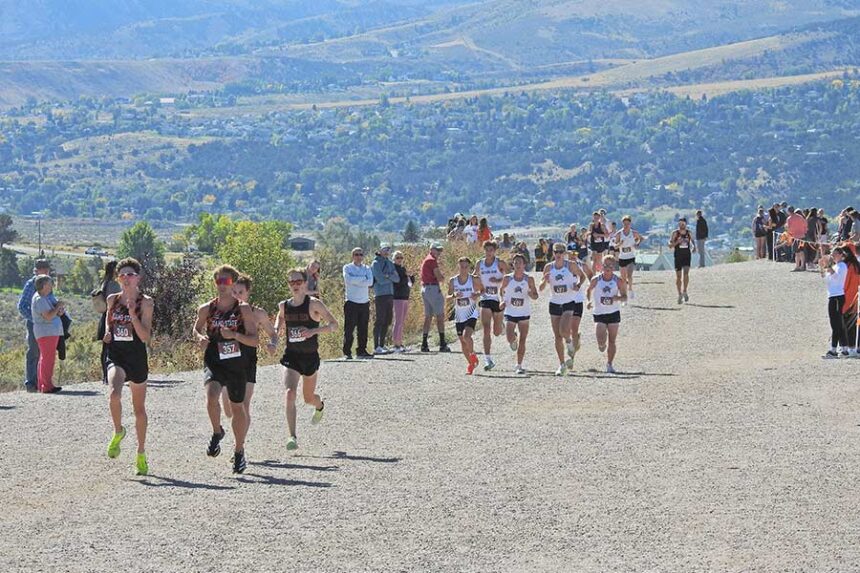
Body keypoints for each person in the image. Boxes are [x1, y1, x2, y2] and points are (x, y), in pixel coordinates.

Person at [192, 265, 258, 474]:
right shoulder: (206, 308)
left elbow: (254, 340)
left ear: (233, 283)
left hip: (236, 364)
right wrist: (200, 337)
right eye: (219, 281)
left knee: (237, 408)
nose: (222, 285)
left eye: (226, 281)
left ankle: (239, 452)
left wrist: (235, 336)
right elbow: (196, 328)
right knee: (211, 396)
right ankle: (216, 431)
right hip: (214, 360)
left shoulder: (244, 309)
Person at [274, 268, 338, 451]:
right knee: (289, 394)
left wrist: (313, 331)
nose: (295, 285)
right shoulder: (284, 305)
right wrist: (277, 329)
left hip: (310, 357)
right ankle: (292, 436)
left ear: (305, 283)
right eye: (291, 282)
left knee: (308, 398)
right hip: (291, 356)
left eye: (298, 282)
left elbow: (334, 325)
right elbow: (280, 318)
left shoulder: (314, 304)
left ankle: (319, 406)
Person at [102, 258, 154, 476]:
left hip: (136, 356)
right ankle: (118, 431)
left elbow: (145, 336)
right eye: (122, 275)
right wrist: (107, 331)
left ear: (138, 278)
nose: (125, 278)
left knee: (138, 409)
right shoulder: (112, 299)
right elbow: (108, 319)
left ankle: (140, 453)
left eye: (130, 274)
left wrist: (133, 314)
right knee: (114, 394)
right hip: (116, 354)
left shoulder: (146, 302)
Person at [230, 274, 279, 436]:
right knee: (230, 409)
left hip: (247, 360)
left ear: (248, 293)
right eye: (234, 292)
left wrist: (273, 344)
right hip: (226, 362)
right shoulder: (221, 311)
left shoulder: (258, 314)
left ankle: (240, 446)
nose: (237, 296)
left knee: (244, 405)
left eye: (240, 292)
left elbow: (273, 333)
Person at [540, 243, 587, 376]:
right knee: (557, 336)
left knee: (564, 330)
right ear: (553, 253)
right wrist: (544, 281)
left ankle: (570, 342)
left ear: (564, 253)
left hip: (568, 302)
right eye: (556, 252)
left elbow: (582, 276)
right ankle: (561, 365)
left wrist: (578, 285)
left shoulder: (570, 265)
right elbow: (541, 287)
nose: (558, 254)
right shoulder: (548, 267)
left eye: (561, 251)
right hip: (554, 303)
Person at [587, 255, 627, 374]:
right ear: (601, 267)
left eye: (610, 266)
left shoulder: (618, 280)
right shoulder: (596, 279)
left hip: (613, 313)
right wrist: (588, 301)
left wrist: (618, 298)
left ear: (613, 267)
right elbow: (588, 290)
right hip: (599, 313)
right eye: (605, 266)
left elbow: (625, 296)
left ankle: (609, 364)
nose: (607, 268)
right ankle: (601, 344)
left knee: (612, 340)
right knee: (600, 338)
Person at [500, 253, 538, 374]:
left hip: (524, 312)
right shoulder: (507, 278)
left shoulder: (529, 279)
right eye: (515, 263)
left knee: (523, 340)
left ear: (524, 265)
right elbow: (501, 291)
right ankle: (513, 339)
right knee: (509, 337)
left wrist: (531, 294)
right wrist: (502, 301)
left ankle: (519, 365)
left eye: (519, 263)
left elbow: (535, 296)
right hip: (510, 311)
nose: (517, 265)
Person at [17, 259, 52, 392]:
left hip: (47, 324)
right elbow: (21, 306)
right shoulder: (31, 284)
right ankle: (31, 383)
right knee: (34, 352)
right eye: (44, 270)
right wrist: (35, 318)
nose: (46, 272)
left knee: (45, 353)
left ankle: (42, 381)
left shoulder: (48, 283)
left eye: (47, 269)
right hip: (34, 325)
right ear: (36, 270)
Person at [475, 240, 508, 370]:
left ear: (495, 251)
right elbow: (474, 277)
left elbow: (509, 277)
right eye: (486, 250)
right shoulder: (480, 263)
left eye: (491, 250)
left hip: (498, 298)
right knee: (486, 329)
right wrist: (477, 287)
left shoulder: (499, 263)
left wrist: (498, 280)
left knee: (497, 332)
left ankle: (503, 327)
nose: (488, 253)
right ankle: (488, 359)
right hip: (485, 298)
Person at [30, 274, 65, 394]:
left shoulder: (46, 297)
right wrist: (58, 307)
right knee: (47, 359)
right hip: (46, 332)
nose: (52, 286)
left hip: (50, 331)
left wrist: (59, 309)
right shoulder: (39, 299)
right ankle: (46, 386)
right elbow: (49, 316)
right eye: (50, 284)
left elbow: (56, 313)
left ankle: (44, 384)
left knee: (46, 358)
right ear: (44, 285)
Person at [448, 257, 482, 375]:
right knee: (462, 342)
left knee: (466, 336)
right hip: (459, 315)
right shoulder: (453, 281)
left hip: (471, 312)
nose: (463, 269)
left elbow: (483, 290)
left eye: (466, 267)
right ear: (458, 267)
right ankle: (471, 364)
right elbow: (447, 297)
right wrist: (454, 295)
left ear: (469, 267)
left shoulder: (474, 279)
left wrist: (476, 294)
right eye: (461, 267)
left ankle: (472, 355)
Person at [342, 247, 374, 359]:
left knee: (363, 328)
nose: (359, 257)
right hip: (351, 302)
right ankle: (347, 352)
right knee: (349, 329)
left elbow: (370, 282)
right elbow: (348, 280)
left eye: (360, 254)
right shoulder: (347, 267)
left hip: (364, 302)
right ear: (352, 256)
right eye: (356, 254)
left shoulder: (367, 268)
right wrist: (362, 279)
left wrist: (356, 280)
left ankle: (361, 351)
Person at [93, 260, 122, 385]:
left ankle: (107, 375)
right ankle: (108, 376)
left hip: (106, 318)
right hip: (112, 319)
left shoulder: (105, 283)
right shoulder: (113, 285)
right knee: (110, 349)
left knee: (106, 349)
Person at [820, 248, 851, 358]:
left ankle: (833, 349)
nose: (832, 255)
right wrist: (823, 267)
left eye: (834, 253)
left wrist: (828, 267)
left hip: (838, 296)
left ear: (840, 255)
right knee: (838, 323)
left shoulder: (842, 266)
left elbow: (837, 278)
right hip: (833, 296)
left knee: (836, 324)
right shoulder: (835, 266)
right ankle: (844, 348)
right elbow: (828, 279)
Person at [420, 243, 450, 353]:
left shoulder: (427, 259)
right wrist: (443, 277)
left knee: (428, 317)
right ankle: (442, 343)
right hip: (432, 288)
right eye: (437, 250)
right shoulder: (432, 260)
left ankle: (424, 343)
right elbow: (439, 276)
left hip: (425, 288)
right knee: (440, 316)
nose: (439, 252)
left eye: (440, 250)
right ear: (432, 250)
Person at [370, 244, 399, 355]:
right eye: (385, 249)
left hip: (390, 294)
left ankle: (382, 345)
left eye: (388, 249)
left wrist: (388, 276)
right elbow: (380, 279)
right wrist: (389, 277)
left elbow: (397, 278)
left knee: (387, 320)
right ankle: (376, 346)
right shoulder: (376, 263)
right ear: (380, 250)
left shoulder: (390, 263)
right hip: (380, 294)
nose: (387, 251)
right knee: (380, 320)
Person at [568, 246, 593, 360]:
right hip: (565, 300)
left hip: (577, 300)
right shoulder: (562, 265)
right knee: (566, 329)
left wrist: (589, 287)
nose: (573, 255)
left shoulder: (581, 265)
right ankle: (574, 341)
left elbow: (591, 276)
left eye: (575, 252)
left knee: (574, 327)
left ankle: (571, 356)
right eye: (570, 252)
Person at [614, 215, 643, 299]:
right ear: (622, 224)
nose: (626, 225)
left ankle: (630, 289)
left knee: (629, 276)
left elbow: (641, 238)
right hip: (622, 257)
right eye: (624, 223)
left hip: (631, 257)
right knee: (623, 279)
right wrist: (620, 244)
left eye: (628, 223)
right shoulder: (619, 234)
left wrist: (637, 244)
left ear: (630, 224)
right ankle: (624, 296)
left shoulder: (633, 233)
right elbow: (615, 246)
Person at [669, 218, 696, 304]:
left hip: (687, 255)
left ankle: (684, 291)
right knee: (678, 277)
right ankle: (679, 294)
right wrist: (677, 242)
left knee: (686, 274)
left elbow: (693, 241)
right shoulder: (675, 233)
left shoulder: (689, 233)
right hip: (678, 256)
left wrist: (694, 247)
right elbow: (670, 245)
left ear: (686, 224)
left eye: (683, 224)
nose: (681, 225)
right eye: (680, 224)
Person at [391, 251, 413, 353]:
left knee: (402, 321)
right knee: (398, 321)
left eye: (401, 257)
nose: (399, 259)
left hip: (405, 296)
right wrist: (406, 276)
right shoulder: (393, 268)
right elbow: (398, 281)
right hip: (397, 297)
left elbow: (409, 282)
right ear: (394, 259)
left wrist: (411, 276)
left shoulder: (403, 269)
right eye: (397, 257)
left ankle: (400, 342)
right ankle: (396, 343)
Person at [786, 207, 808, 271]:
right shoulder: (800, 217)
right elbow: (805, 225)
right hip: (802, 237)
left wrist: (790, 234)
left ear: (788, 211)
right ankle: (802, 266)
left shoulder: (789, 219)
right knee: (802, 251)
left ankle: (797, 266)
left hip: (795, 237)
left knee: (797, 253)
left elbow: (788, 228)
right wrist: (804, 232)